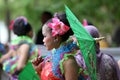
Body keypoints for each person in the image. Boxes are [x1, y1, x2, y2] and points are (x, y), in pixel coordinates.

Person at [32, 13, 88, 80]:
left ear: (56, 38)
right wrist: (38, 69)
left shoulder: (69, 62)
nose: (43, 40)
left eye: (45, 36)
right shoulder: (52, 55)